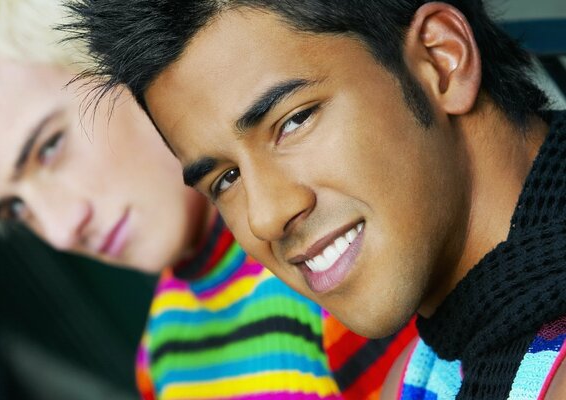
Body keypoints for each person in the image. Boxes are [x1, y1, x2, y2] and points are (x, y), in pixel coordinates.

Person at [66, 0, 566, 398]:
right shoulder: (429, 375)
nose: (265, 217)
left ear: (441, 61)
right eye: (224, 180)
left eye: (294, 121)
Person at [0, 1, 417, 399]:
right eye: (16, 209)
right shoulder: (162, 354)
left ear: (122, 62)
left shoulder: (330, 255)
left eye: (49, 147)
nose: (62, 230)